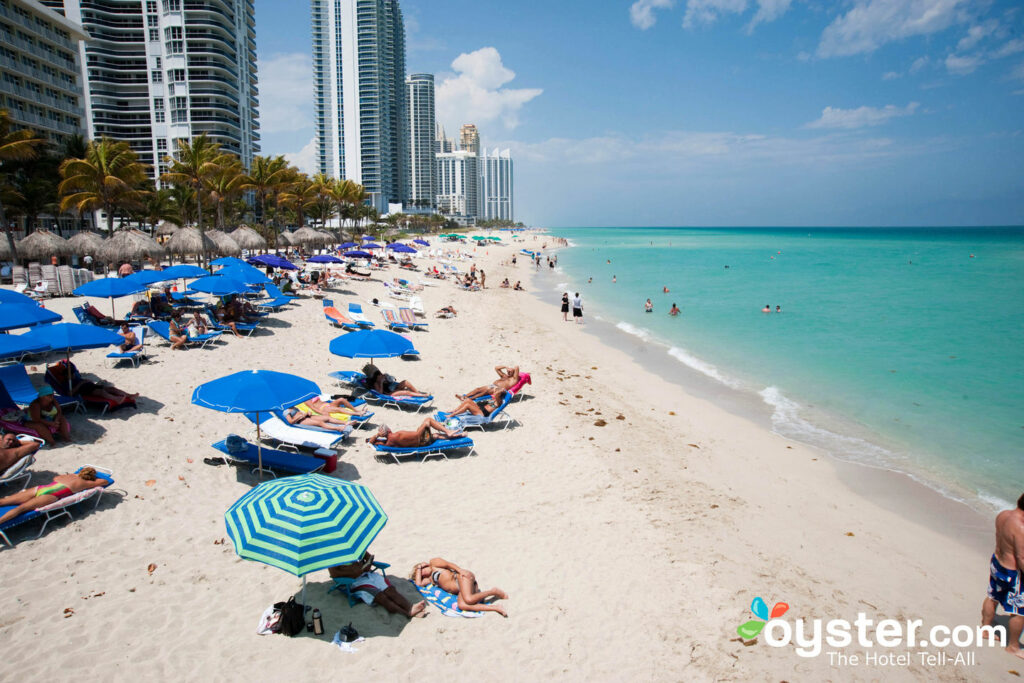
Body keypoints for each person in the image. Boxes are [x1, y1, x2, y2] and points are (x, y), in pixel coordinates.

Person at [982, 493, 1024, 660]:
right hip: (1012, 573)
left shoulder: (1003, 515)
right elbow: (1021, 557)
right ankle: (1013, 646)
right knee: (1019, 611)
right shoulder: (1021, 526)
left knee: (992, 596)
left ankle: (985, 628)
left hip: (997, 563)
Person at [329, 551, 426, 618]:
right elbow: (334, 575)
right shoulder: (332, 557)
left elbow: (368, 557)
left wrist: (368, 563)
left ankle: (410, 607)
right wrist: (354, 572)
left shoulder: (354, 547)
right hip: (353, 582)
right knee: (381, 596)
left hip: (368, 574)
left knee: (390, 590)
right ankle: (407, 613)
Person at [0, 467, 105, 525]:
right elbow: (104, 481)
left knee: (4, 501)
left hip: (41, 488)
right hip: (51, 495)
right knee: (21, 508)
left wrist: (75, 475)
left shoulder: (69, 476)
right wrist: (93, 479)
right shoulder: (85, 483)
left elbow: (56, 478)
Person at [411, 558, 508, 617]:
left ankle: (493, 591)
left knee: (469, 600)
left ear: (424, 565)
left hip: (461, 578)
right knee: (462, 606)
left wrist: (460, 570)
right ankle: (495, 607)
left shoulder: (434, 563)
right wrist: (419, 570)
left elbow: (449, 564)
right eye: (420, 574)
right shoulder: (430, 580)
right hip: (462, 589)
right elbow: (419, 584)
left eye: (421, 571)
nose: (422, 574)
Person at [47, 360, 138, 406]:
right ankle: (117, 399)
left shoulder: (75, 378)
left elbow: (82, 381)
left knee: (111, 389)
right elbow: (70, 393)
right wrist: (81, 384)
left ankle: (129, 395)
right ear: (67, 376)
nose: (74, 375)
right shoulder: (66, 383)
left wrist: (85, 381)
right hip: (84, 391)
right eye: (72, 374)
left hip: (89, 386)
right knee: (102, 392)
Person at [366, 418, 463, 448]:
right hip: (422, 442)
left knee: (435, 435)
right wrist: (424, 426)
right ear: (389, 430)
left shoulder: (388, 442)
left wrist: (377, 436)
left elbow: (370, 442)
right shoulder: (395, 435)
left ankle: (459, 435)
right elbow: (417, 435)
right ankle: (448, 431)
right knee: (427, 420)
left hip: (422, 442)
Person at [362, 364, 429, 398]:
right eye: (379, 375)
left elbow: (391, 382)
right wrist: (381, 383)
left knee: (405, 382)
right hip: (388, 394)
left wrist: (387, 379)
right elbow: (380, 394)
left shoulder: (381, 377)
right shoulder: (376, 383)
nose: (381, 375)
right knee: (406, 392)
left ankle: (417, 393)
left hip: (392, 389)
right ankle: (422, 396)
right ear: (376, 377)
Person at [282, 406, 350, 432]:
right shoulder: (285, 410)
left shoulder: (293, 405)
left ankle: (345, 422)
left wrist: (307, 413)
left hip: (305, 416)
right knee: (320, 423)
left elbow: (300, 412)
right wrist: (299, 417)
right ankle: (338, 428)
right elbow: (291, 421)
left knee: (327, 418)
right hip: (300, 421)